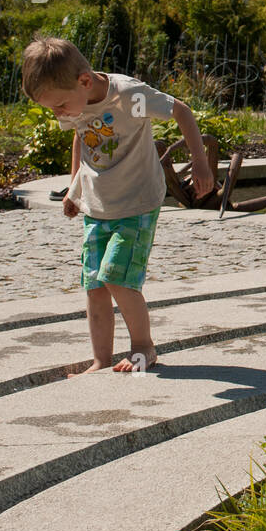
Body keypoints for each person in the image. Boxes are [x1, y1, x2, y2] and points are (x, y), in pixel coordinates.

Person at [21, 35, 214, 375]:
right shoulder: (74, 100)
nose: (58, 113)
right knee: (95, 285)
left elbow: (181, 110)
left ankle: (143, 348)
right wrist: (74, 187)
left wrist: (200, 162)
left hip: (137, 202)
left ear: (84, 81)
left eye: (59, 106)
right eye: (51, 108)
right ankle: (100, 359)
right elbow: (80, 137)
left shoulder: (128, 96)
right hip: (97, 205)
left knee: (118, 279)